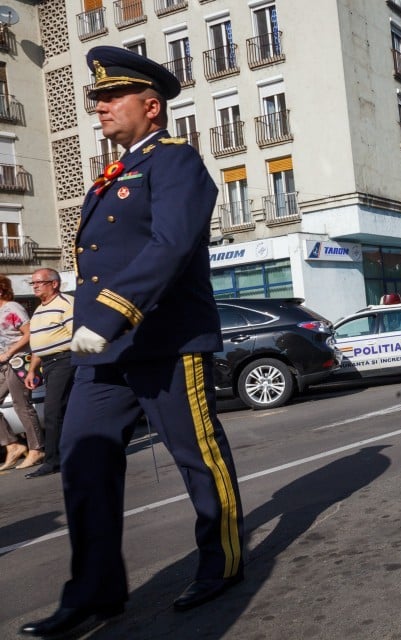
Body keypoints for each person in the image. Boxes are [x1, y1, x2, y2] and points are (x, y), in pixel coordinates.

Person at [21, 47, 244, 638]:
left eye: (109, 96)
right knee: (84, 463)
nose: (97, 106)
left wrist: (115, 312)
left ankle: (221, 561)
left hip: (165, 342)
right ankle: (94, 591)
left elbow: (169, 246)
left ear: (151, 106)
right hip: (103, 350)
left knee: (198, 457)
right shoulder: (110, 178)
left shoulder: (175, 164)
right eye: (96, 98)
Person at [22, 268, 75, 478]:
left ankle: (53, 461)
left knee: (53, 413)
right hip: (48, 364)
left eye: (39, 282)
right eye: (32, 283)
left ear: (54, 284)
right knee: (61, 412)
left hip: (65, 361)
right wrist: (32, 369)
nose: (34, 286)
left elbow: (77, 336)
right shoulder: (39, 309)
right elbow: (38, 343)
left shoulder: (66, 304)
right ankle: (67, 455)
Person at [0, 274, 44, 471]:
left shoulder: (12, 308)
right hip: (3, 365)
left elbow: (30, 333)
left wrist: (9, 351)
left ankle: (37, 448)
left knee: (21, 404)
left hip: (18, 362)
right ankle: (13, 445)